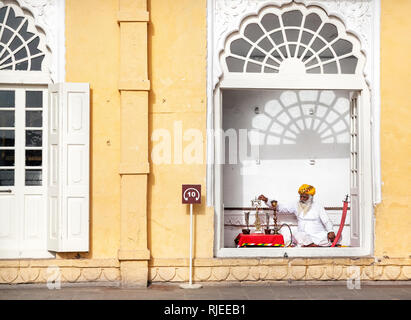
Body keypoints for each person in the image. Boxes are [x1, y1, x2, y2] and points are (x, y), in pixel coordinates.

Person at [258, 184, 337, 247]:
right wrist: (267, 200)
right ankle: (311, 244)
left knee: (335, 235)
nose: (301, 199)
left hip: (318, 235)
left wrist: (330, 231)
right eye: (301, 196)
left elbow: (326, 221)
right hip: (304, 235)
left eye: (304, 197)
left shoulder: (318, 206)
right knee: (297, 234)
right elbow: (281, 207)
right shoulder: (296, 204)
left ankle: (311, 244)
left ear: (311, 197)